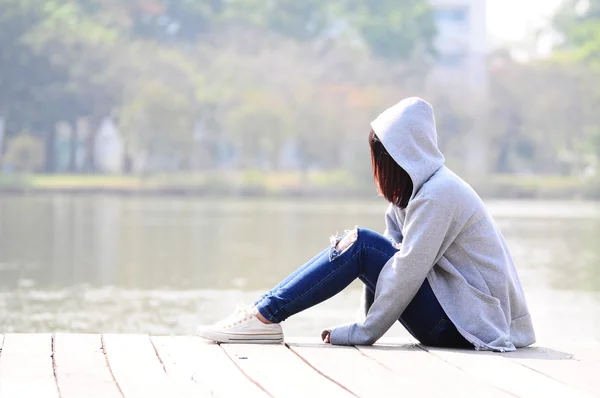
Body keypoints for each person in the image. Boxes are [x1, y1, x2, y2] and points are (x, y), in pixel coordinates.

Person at [197, 97, 535, 351]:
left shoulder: (438, 196)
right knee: (358, 244)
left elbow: (404, 275)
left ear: (402, 155)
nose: (376, 165)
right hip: (459, 320)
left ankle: (264, 317)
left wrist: (361, 332)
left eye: (380, 155)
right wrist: (363, 323)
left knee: (360, 244)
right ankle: (263, 313)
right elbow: (385, 269)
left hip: (473, 327)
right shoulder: (415, 196)